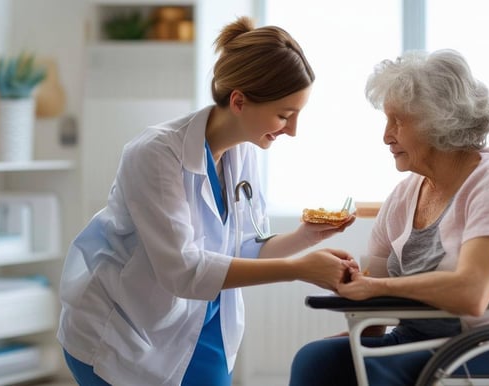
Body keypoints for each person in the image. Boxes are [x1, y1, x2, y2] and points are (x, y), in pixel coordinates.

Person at [58, 16, 357, 386]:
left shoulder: (244, 152)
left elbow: (243, 248)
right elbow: (183, 271)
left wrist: (305, 238)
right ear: (239, 101)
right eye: (284, 115)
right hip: (123, 331)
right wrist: (299, 269)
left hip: (200, 322)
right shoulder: (155, 154)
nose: (292, 130)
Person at [289, 49, 489, 386]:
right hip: (416, 342)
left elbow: (471, 292)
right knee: (318, 360)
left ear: (440, 120)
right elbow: (373, 290)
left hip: (486, 348)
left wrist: (376, 288)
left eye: (398, 121)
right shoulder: (405, 195)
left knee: (372, 372)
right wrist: (365, 332)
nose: (386, 135)